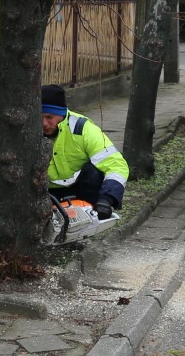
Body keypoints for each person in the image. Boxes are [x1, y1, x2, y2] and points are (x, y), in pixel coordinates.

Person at [41, 83, 128, 239]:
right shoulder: (27, 132)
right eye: (39, 117)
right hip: (46, 192)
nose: (44, 124)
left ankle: (88, 221)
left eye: (49, 117)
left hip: (80, 189)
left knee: (94, 171)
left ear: (62, 114)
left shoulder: (83, 129)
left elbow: (116, 165)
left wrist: (107, 199)